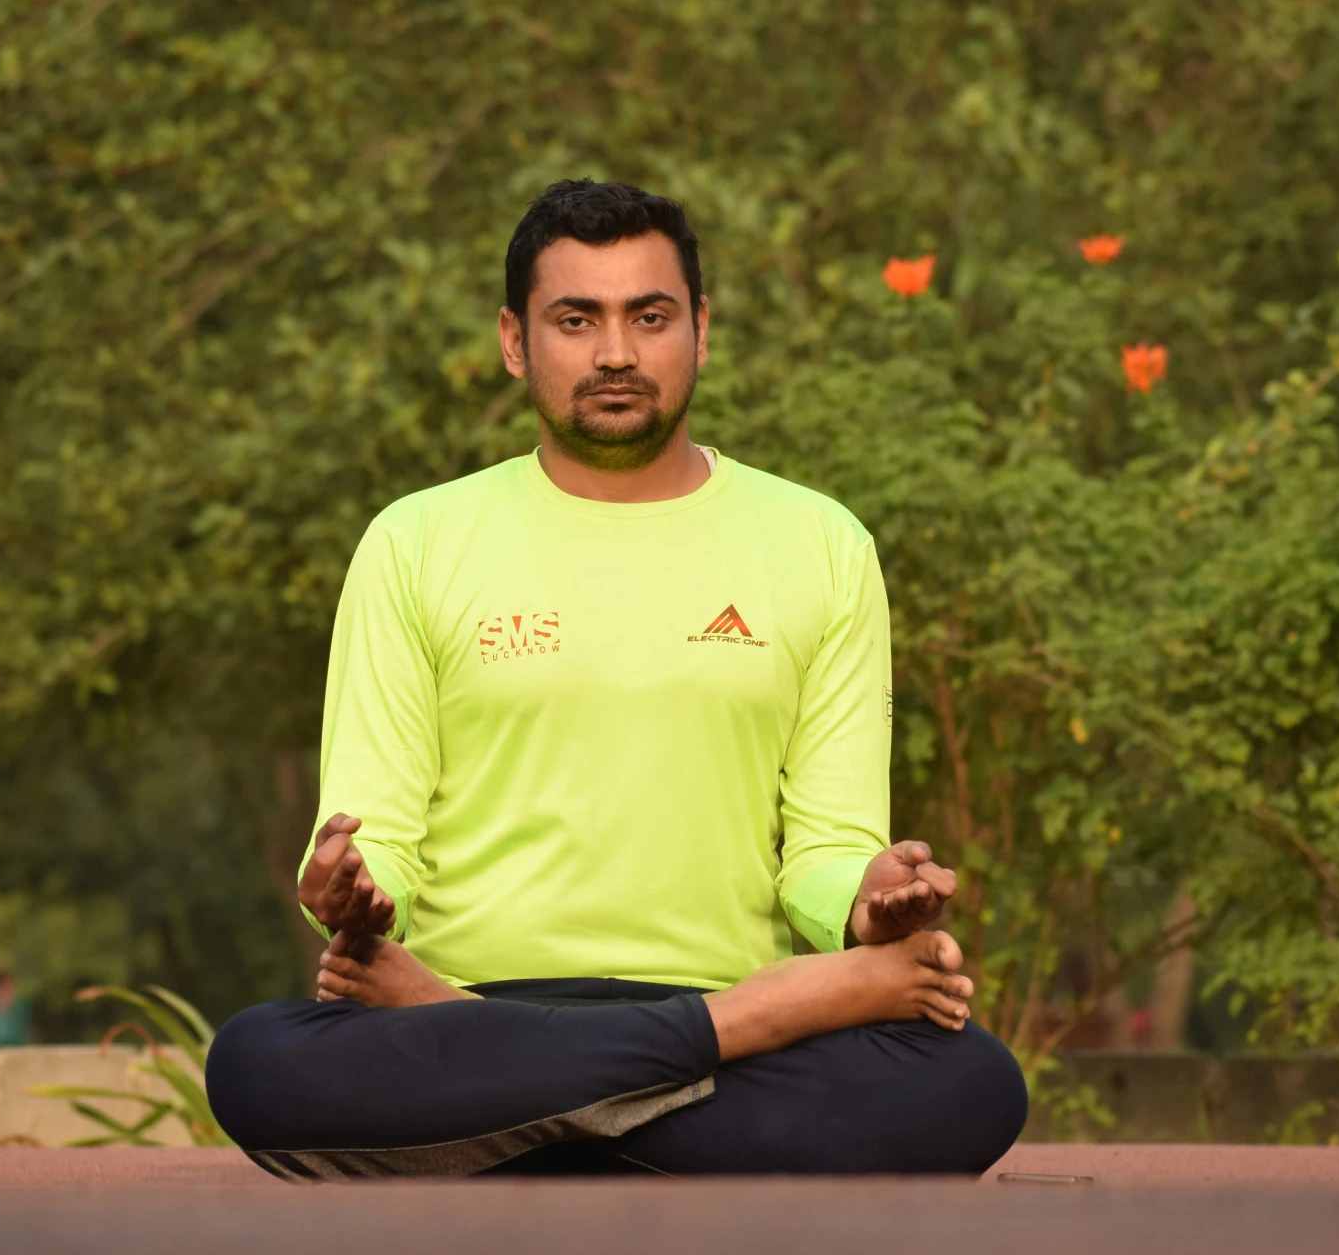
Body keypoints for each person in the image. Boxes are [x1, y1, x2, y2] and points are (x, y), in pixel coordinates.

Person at [205, 180, 1027, 1179]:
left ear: (701, 329)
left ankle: (537, 1118)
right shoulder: (415, 542)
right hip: (497, 1009)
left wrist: (866, 902)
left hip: (496, 1037)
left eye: (649, 316)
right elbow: (374, 841)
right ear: (515, 341)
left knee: (974, 1083)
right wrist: (352, 887)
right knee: (254, 1060)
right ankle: (710, 1047)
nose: (615, 353)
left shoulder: (820, 542)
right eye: (574, 318)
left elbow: (823, 850)